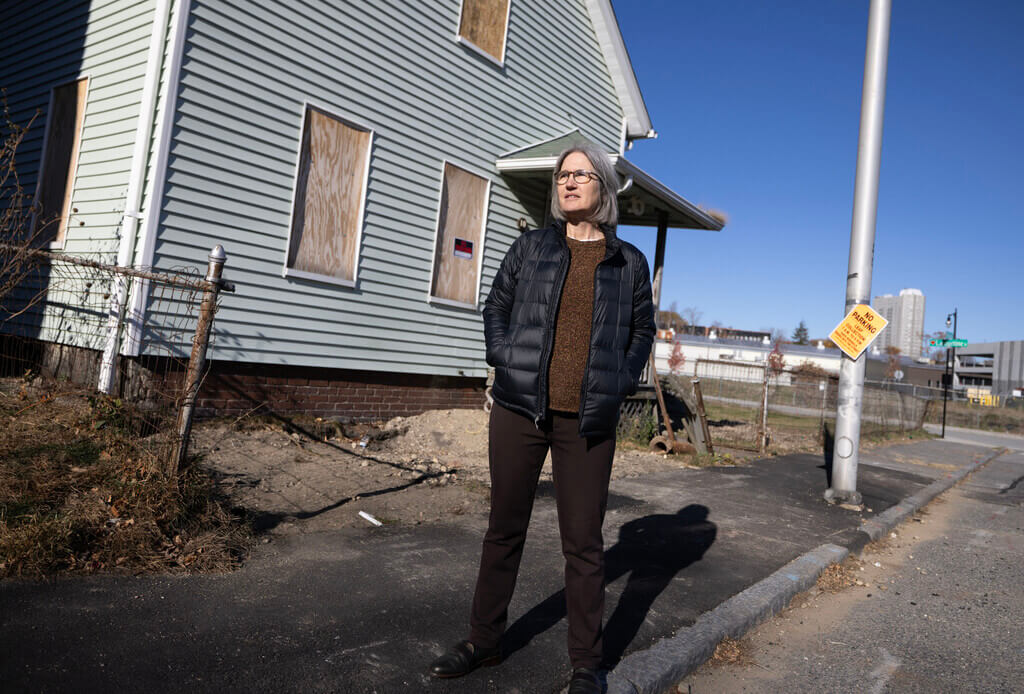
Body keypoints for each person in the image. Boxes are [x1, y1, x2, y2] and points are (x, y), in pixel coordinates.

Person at [429, 142, 655, 693]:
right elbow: (496, 307)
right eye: (562, 175)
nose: (568, 182)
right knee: (504, 529)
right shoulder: (530, 247)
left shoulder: (628, 262)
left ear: (602, 185)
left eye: (580, 174)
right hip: (518, 409)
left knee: (583, 543)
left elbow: (643, 330)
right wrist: (504, 355)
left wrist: (622, 380)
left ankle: (587, 664)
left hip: (587, 421)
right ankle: (485, 641)